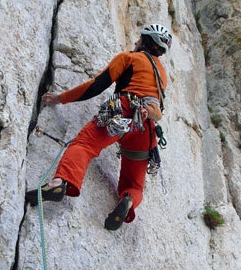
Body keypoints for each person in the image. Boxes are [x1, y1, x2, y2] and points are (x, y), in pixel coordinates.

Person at [26, 23, 172, 230]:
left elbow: (96, 85)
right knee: (134, 184)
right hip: (146, 128)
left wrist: (61, 98)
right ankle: (128, 201)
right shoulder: (162, 75)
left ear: (146, 41)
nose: (135, 41)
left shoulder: (129, 58)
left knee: (84, 145)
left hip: (123, 111)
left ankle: (58, 184)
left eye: (139, 38)